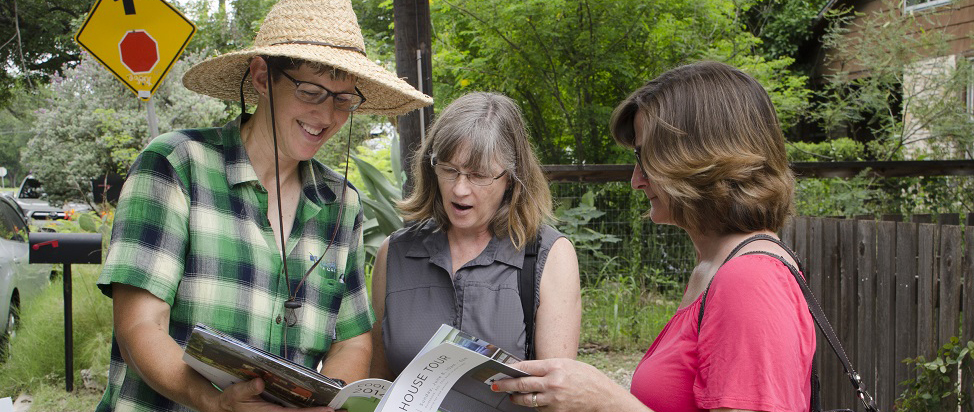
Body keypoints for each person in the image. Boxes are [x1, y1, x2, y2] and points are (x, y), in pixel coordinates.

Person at [94, 0, 432, 410]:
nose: (326, 115)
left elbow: (352, 337)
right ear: (260, 77)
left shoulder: (341, 203)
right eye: (311, 91)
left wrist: (327, 398)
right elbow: (140, 326)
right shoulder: (177, 165)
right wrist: (216, 402)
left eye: (343, 100)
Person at [492, 61, 816, 412]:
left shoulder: (750, 279)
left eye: (647, 159)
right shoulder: (714, 268)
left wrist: (605, 400)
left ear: (701, 158)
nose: (636, 180)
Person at [369, 92, 582, 410]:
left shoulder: (549, 256)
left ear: (511, 178)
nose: (459, 188)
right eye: (449, 169)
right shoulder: (396, 253)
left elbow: (557, 399)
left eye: (479, 175)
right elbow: (379, 381)